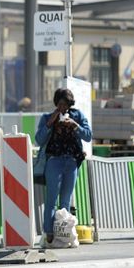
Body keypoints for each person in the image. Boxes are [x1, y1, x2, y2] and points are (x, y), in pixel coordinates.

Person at [35, 88, 92, 245]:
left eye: (65, 104)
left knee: (65, 200)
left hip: (72, 162)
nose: (62, 108)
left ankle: (64, 234)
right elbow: (38, 139)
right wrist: (49, 123)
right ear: (56, 103)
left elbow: (88, 135)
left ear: (70, 104)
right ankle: (49, 233)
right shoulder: (47, 117)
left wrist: (75, 125)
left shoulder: (77, 116)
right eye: (60, 104)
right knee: (51, 199)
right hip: (54, 161)